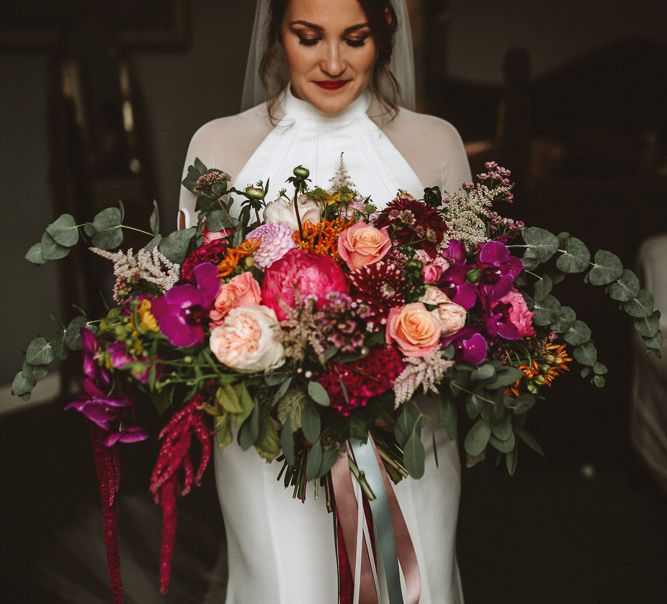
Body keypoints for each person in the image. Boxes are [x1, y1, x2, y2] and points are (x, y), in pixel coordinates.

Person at [178, 1, 471, 602]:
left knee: (417, 587)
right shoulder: (220, 145)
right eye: (309, 38)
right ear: (276, 33)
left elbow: (470, 297)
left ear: (385, 32)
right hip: (270, 443)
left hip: (410, 428)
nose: (332, 62)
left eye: (355, 39)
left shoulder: (435, 142)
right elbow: (193, 300)